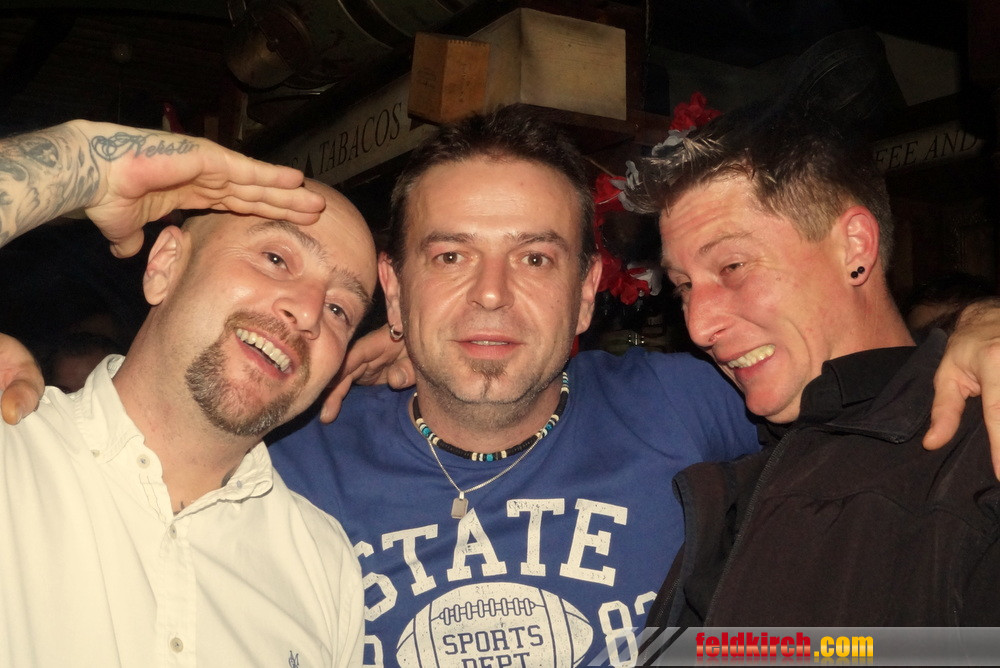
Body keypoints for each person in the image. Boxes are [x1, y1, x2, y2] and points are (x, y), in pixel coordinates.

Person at [5, 108, 1000, 665]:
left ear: (586, 295)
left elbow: (860, 410)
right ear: (398, 291)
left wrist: (971, 331)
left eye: (533, 258)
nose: (489, 293)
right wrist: (78, 161)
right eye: (449, 256)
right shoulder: (300, 472)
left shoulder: (695, 409)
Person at [0, 119, 376, 664]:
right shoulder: (14, 449)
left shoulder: (324, 564)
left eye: (340, 308)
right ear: (165, 265)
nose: (309, 312)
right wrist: (82, 160)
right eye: (276, 259)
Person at [629, 103, 1000, 628]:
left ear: (854, 246)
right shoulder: (737, 450)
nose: (698, 326)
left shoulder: (976, 458)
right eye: (684, 286)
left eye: (733, 266)